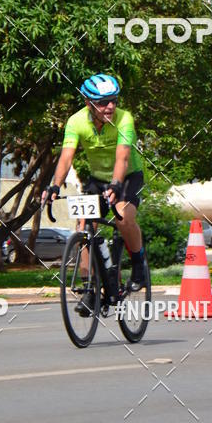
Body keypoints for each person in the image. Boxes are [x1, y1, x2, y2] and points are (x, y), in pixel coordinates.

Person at [42, 73, 146, 313]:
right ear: (88, 103)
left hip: (128, 176)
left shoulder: (124, 119)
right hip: (98, 179)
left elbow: (123, 157)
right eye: (102, 102)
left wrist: (117, 185)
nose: (110, 106)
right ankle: (90, 289)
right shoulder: (76, 122)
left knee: (122, 215)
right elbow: (66, 156)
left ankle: (138, 262)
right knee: (84, 228)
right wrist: (55, 185)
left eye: (113, 100)